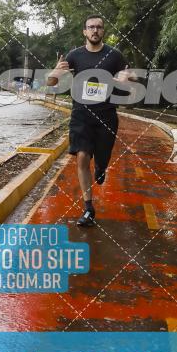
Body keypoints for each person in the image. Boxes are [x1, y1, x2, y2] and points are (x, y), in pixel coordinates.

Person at [46, 15, 134, 227]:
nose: (95, 30)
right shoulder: (74, 55)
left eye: (99, 27)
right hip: (81, 115)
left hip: (106, 116)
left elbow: (129, 88)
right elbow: (50, 82)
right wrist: (57, 71)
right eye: (91, 27)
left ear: (103, 31)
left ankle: (101, 168)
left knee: (101, 158)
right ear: (84, 32)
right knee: (82, 157)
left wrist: (126, 79)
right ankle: (88, 208)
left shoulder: (115, 56)